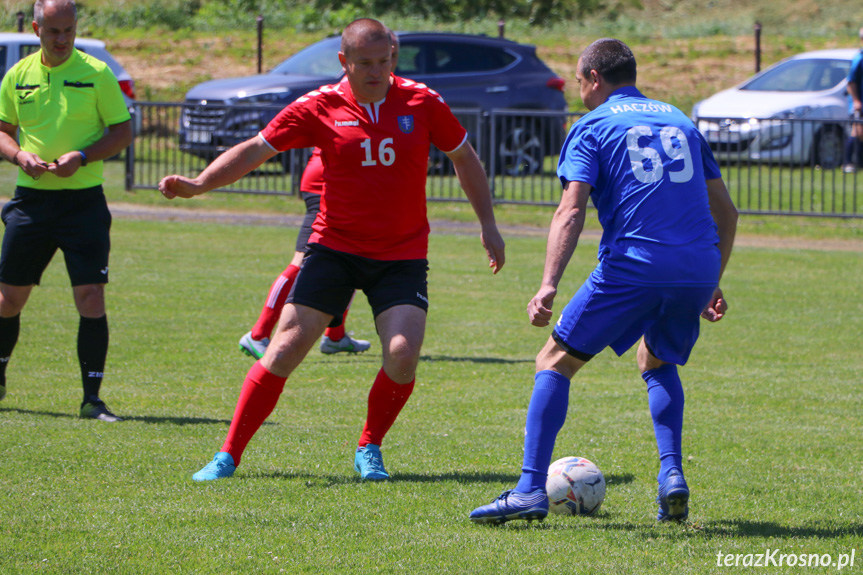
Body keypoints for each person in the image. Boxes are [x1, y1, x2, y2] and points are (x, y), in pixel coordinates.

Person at [159, 18, 505, 482]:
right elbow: (256, 149)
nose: (377, 71)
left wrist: (488, 224)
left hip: (401, 255)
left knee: (402, 355)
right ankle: (227, 456)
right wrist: (199, 183)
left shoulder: (421, 101)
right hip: (334, 248)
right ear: (344, 61)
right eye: (365, 63)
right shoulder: (318, 106)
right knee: (284, 349)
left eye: (385, 61)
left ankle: (369, 447)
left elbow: (463, 155)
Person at [469, 38, 737, 524]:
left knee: (553, 359)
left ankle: (529, 490)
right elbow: (727, 212)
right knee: (654, 358)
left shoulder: (593, 125)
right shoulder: (680, 120)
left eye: (579, 81)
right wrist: (711, 279)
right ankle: (671, 476)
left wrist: (549, 283)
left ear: (594, 77)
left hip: (635, 264)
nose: (579, 91)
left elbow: (570, 210)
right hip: (696, 266)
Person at [0, 0, 132, 421]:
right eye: (54, 31)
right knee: (7, 301)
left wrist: (83, 156)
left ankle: (92, 400)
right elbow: (2, 131)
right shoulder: (17, 75)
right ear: (37, 29)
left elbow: (123, 132)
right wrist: (20, 156)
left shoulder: (96, 73)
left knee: (90, 298)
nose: (62, 39)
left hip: (83, 204)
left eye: (69, 31)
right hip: (31, 203)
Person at [239, 29, 402, 360]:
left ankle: (336, 335)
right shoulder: (355, 84)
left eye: (388, 56)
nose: (384, 63)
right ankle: (258, 334)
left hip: (344, 190)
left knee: (356, 256)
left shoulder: (388, 87)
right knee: (303, 260)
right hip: (323, 186)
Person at [843, 27, 863, 173]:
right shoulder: (859, 59)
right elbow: (850, 82)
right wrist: (856, 101)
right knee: (857, 132)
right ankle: (847, 162)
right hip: (860, 105)